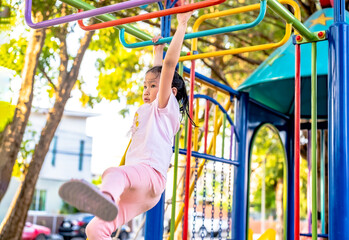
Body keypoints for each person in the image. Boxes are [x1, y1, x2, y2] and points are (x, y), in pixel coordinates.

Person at [58, 3, 193, 240]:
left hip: (149, 176)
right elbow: (159, 71)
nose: (147, 90)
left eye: (154, 86)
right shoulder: (150, 108)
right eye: (145, 86)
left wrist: (182, 24)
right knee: (95, 229)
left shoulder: (165, 107)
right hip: (142, 191)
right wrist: (157, 50)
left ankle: (106, 199)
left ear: (170, 91)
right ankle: (107, 202)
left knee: (113, 173)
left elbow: (168, 68)